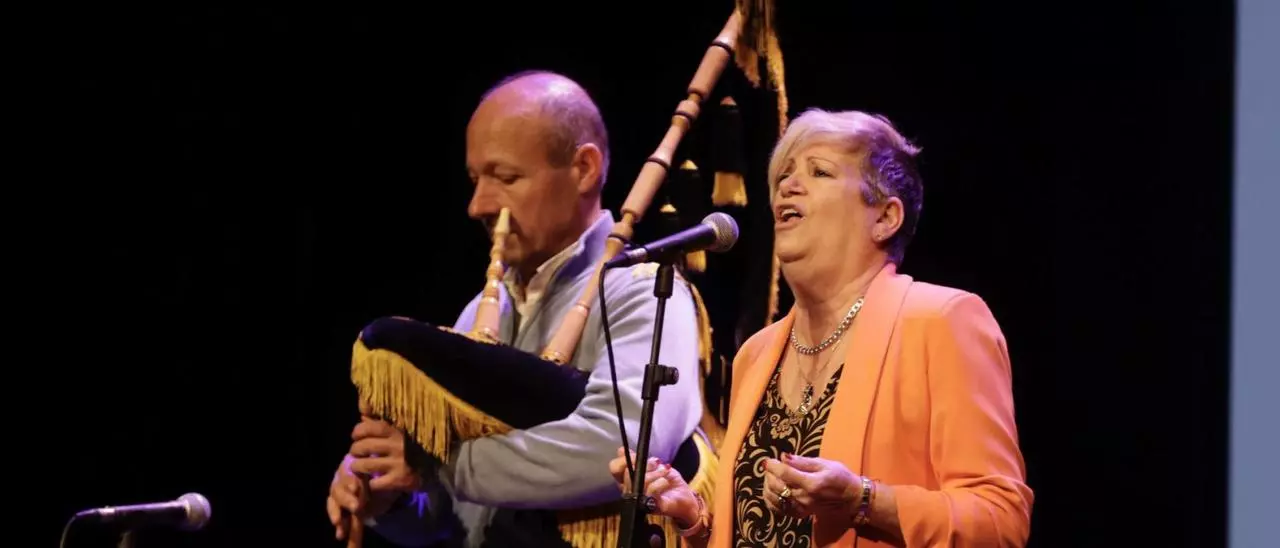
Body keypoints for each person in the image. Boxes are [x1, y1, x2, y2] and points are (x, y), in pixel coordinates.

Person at [609, 108, 1034, 547]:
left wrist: (863, 501)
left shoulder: (942, 321)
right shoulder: (757, 353)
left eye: (819, 172)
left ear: (885, 218)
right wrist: (696, 520)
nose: (788, 186)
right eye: (784, 175)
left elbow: (1001, 520)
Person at [326, 70, 706, 546]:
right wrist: (393, 495)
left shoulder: (644, 294)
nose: (478, 205)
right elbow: (456, 519)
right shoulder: (480, 312)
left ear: (584, 169)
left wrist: (440, 465)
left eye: (505, 177)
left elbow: (626, 446)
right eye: (474, 179)